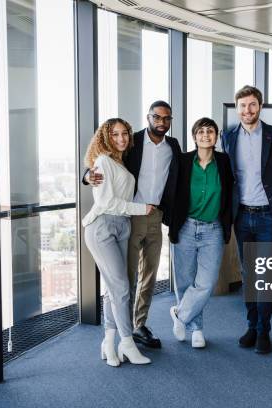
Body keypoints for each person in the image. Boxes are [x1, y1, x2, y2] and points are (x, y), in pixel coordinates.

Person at [83, 101, 181, 349]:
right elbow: (103, 158)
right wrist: (85, 175)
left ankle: (139, 326)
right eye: (157, 117)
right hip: (131, 216)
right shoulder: (132, 141)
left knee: (149, 275)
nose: (161, 122)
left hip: (156, 216)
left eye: (167, 118)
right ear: (148, 117)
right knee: (126, 279)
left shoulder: (173, 146)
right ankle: (120, 333)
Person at [82, 118, 154, 367]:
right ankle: (127, 342)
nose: (122, 139)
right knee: (122, 286)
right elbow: (106, 203)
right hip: (102, 226)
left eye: (125, 134)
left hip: (122, 225)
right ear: (105, 137)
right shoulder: (103, 161)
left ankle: (108, 340)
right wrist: (141, 208)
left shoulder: (119, 160)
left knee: (115, 288)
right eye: (115, 135)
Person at [221, 85, 272, 354]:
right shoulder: (227, 136)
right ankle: (251, 324)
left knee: (265, 275)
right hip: (242, 216)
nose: (247, 110)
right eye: (243, 106)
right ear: (237, 108)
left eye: (252, 105)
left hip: (269, 215)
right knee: (248, 276)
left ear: (260, 106)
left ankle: (263, 331)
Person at [168, 118, 234, 348]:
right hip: (186, 226)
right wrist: (172, 223)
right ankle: (196, 329)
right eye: (201, 131)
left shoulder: (225, 162)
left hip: (213, 229)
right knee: (185, 281)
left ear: (216, 136)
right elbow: (171, 191)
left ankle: (180, 315)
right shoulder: (183, 161)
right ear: (194, 136)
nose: (206, 135)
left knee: (206, 282)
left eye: (210, 131)